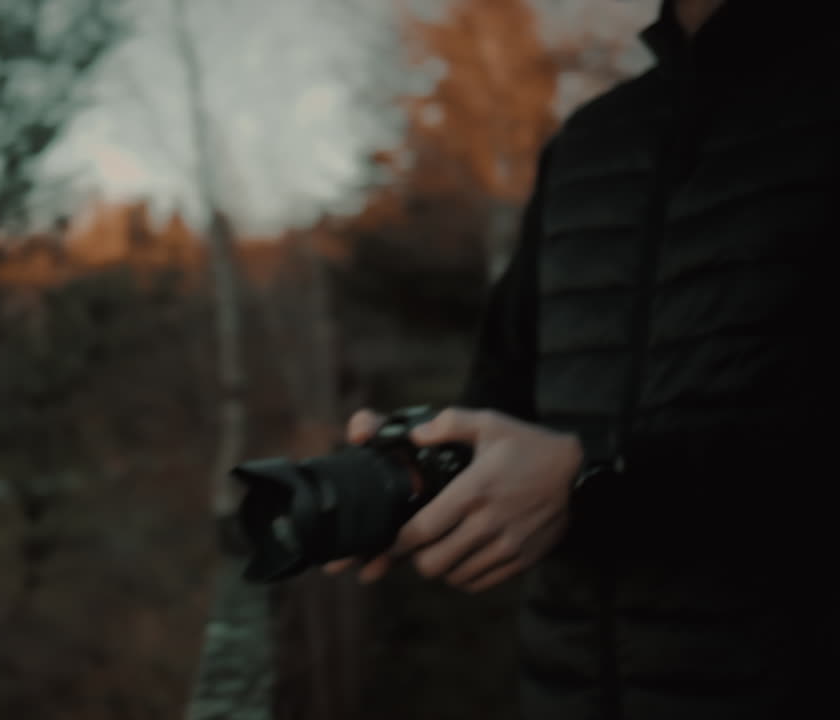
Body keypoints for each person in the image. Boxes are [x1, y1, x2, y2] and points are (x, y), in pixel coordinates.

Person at [325, 0, 838, 718]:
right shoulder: (591, 144)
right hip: (568, 693)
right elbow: (499, 399)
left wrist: (600, 480)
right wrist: (409, 474)